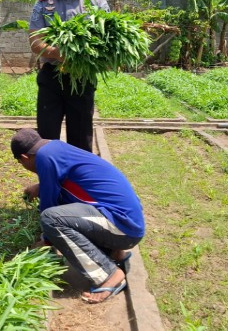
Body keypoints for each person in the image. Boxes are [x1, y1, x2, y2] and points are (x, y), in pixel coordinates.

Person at [11, 128, 145, 304]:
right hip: (129, 222)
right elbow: (63, 187)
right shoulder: (54, 148)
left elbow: (49, 205)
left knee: (51, 218)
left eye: (20, 163)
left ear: (25, 157)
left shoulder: (44, 158)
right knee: (63, 210)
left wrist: (46, 240)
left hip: (123, 227)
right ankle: (114, 252)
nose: (24, 168)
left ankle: (110, 276)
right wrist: (39, 188)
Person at [28, 0, 110, 153]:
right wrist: (58, 53)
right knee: (46, 141)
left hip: (82, 78)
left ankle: (78, 184)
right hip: (51, 78)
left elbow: (107, 41)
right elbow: (35, 42)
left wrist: (83, 55)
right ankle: (51, 184)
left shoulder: (96, 2)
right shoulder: (43, 4)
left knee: (81, 141)